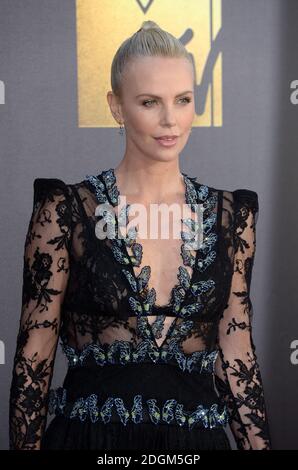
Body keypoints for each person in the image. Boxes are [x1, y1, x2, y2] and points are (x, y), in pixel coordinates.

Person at [9, 20, 271, 450]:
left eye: (183, 100)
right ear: (116, 106)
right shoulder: (67, 212)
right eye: (150, 102)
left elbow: (236, 351)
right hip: (90, 443)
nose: (171, 119)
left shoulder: (230, 217)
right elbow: (34, 355)